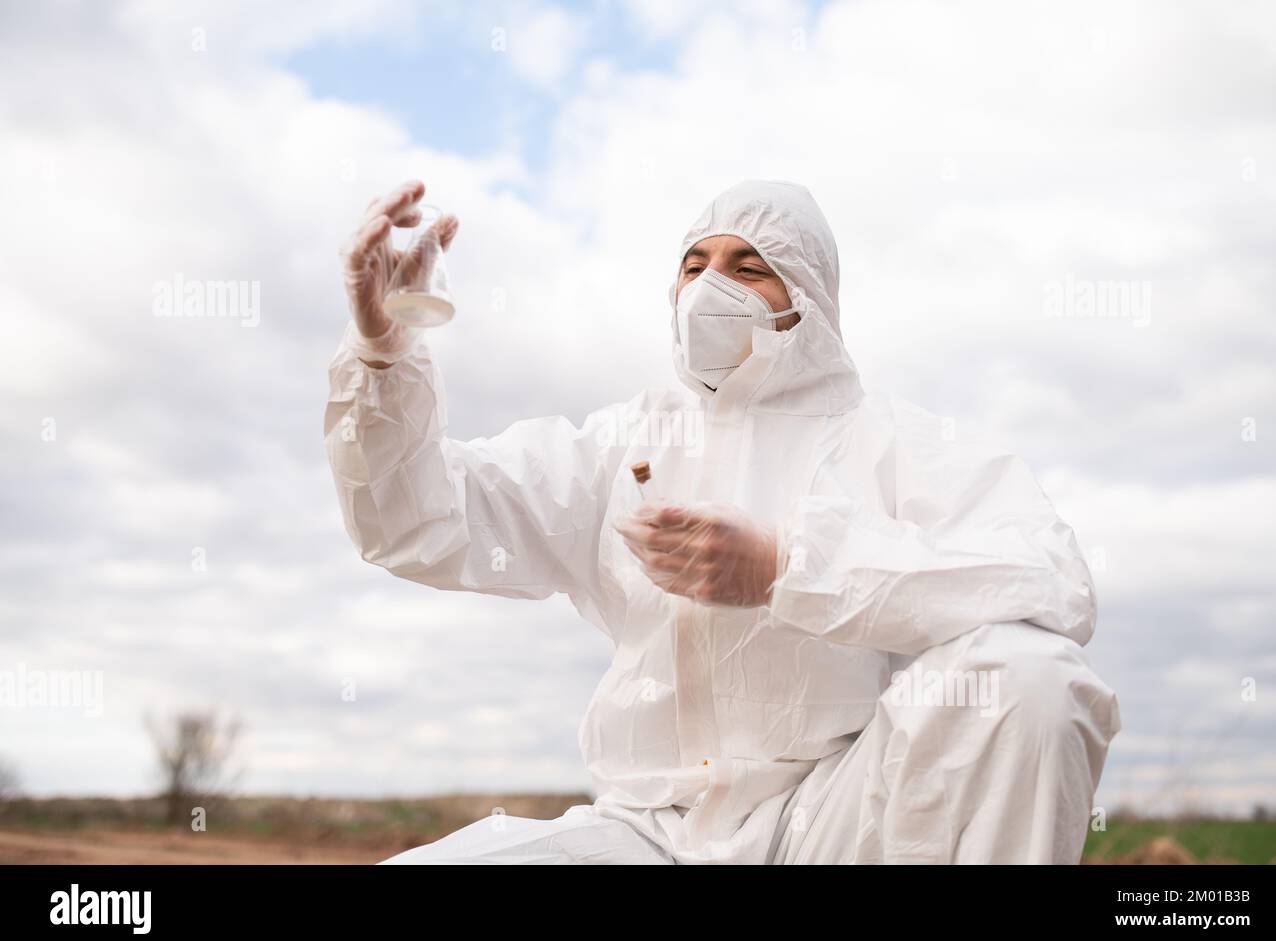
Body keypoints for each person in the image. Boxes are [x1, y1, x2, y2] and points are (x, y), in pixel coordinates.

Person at [324, 179, 1121, 864]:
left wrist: (789, 568)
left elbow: (1049, 582)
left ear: (810, 294)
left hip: (844, 821)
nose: (712, 287)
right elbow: (418, 521)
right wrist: (382, 354)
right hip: (649, 835)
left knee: (1029, 678)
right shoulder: (624, 444)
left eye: (750, 267)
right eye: (694, 265)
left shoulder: (896, 444)